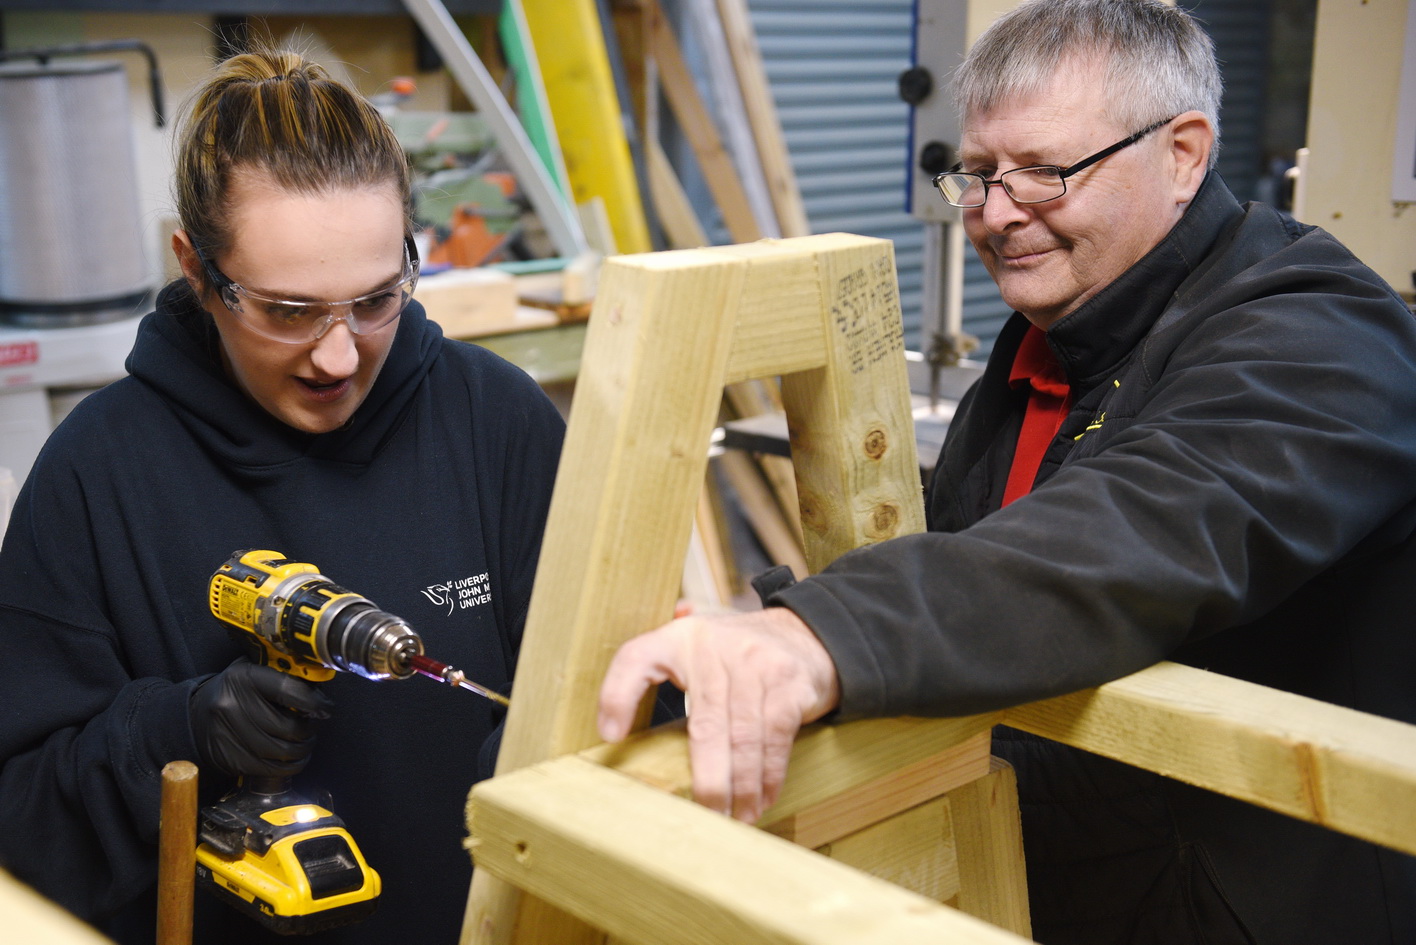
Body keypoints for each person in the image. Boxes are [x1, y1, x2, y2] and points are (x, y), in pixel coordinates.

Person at [599, 1, 1416, 942]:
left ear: (1184, 153)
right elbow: (975, 573)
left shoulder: (1318, 335)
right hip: (1064, 876)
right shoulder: (1051, 337)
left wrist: (822, 634)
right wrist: (762, 641)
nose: (995, 214)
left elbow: (1137, 531)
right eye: (979, 174)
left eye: (1045, 171)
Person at [0, 49, 564, 944]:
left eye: (376, 300)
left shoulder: (495, 419)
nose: (338, 356)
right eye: (290, 311)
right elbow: (20, 825)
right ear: (195, 267)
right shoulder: (95, 476)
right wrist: (176, 732)